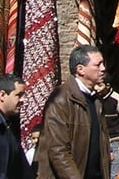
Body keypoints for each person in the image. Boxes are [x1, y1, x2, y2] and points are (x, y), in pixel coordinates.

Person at [36, 46, 110, 179]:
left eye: (103, 63)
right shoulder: (61, 100)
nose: (103, 68)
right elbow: (58, 150)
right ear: (80, 69)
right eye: (97, 65)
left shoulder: (96, 100)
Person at [93, 82, 119, 178]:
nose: (96, 88)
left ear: (107, 85)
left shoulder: (117, 99)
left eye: (100, 85)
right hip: (101, 141)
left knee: (115, 174)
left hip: (115, 141)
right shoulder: (94, 99)